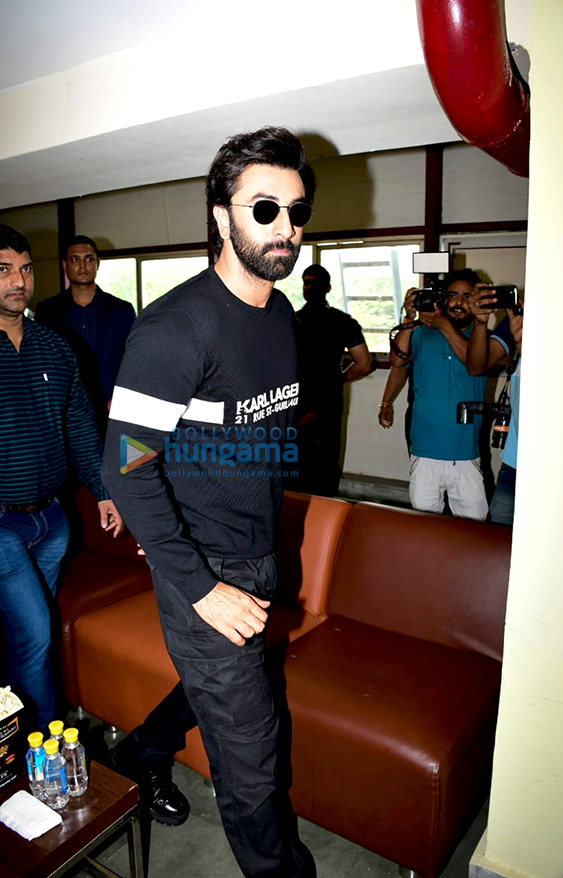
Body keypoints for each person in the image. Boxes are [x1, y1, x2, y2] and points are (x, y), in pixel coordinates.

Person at [101, 128, 316, 877]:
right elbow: (125, 462)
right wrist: (196, 583)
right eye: (265, 209)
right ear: (221, 216)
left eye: (295, 210)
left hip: (257, 554)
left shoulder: (278, 316)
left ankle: (142, 752)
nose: (285, 227)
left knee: (224, 689)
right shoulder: (177, 326)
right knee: (253, 754)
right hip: (205, 573)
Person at [0, 225, 123, 729]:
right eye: (3, 270)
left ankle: (10, 729)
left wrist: (103, 491)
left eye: (25, 269)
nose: (18, 281)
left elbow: (80, 427)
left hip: (52, 521)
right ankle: (46, 752)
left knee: (23, 631)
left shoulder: (56, 346)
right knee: (36, 633)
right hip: (2, 527)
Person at [378, 268, 490, 520]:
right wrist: (409, 318)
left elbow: (474, 363)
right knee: (425, 526)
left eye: (465, 296)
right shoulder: (420, 333)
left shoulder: (482, 339)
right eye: (452, 295)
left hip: (465, 452)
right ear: (442, 298)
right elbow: (397, 362)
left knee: (473, 528)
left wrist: (443, 325)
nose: (458, 302)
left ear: (475, 302)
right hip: (424, 449)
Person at [35, 235, 136, 429]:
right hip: (64, 411)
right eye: (75, 259)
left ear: (98, 263)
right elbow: (41, 361)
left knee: (120, 459)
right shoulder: (47, 311)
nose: (82, 265)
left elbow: (135, 359)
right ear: (65, 265)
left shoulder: (121, 310)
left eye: (89, 259)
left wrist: (119, 397)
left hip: (111, 409)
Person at [295, 264, 371, 496]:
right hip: (298, 399)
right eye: (307, 282)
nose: (310, 287)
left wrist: (335, 382)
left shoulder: (341, 321)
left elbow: (364, 363)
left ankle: (324, 521)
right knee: (300, 464)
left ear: (327, 287)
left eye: (315, 282)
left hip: (324, 401)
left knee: (320, 463)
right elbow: (364, 364)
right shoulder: (292, 320)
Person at [467, 287, 522, 524]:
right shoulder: (520, 319)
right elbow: (477, 366)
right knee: (499, 527)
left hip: (558, 460)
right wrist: (481, 322)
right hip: (514, 458)